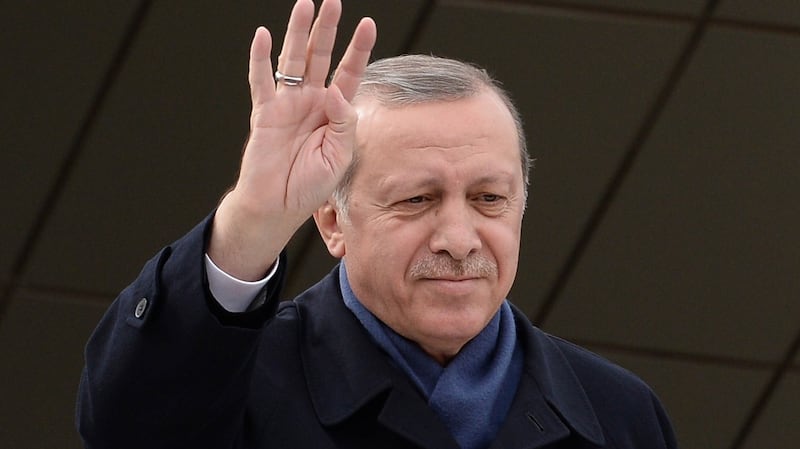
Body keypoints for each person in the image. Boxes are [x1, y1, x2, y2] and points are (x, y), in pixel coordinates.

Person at [77, 1, 677, 448]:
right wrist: (253, 219)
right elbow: (129, 427)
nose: (458, 239)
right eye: (417, 200)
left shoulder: (618, 414)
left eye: (489, 198)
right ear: (334, 220)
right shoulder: (243, 385)